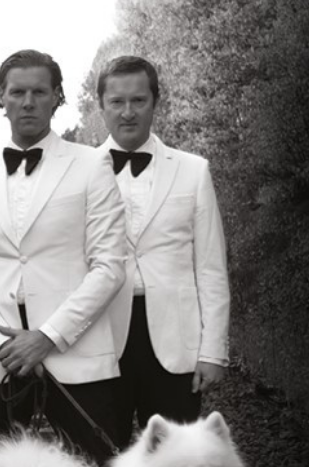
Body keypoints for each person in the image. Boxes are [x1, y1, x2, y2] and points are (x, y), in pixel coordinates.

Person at [0, 49, 129, 467]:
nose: (27, 102)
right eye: (17, 92)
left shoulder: (93, 165)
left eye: (39, 92)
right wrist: (2, 342)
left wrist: (46, 337)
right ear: (1, 97)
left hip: (76, 356)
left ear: (56, 97)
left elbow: (108, 268)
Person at [97, 55, 230, 429]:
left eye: (138, 100)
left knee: (174, 458)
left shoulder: (194, 170)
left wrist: (213, 351)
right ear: (101, 106)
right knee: (102, 457)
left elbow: (211, 267)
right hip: (101, 339)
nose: (128, 112)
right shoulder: (78, 172)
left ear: (155, 102)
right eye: (117, 101)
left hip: (175, 341)